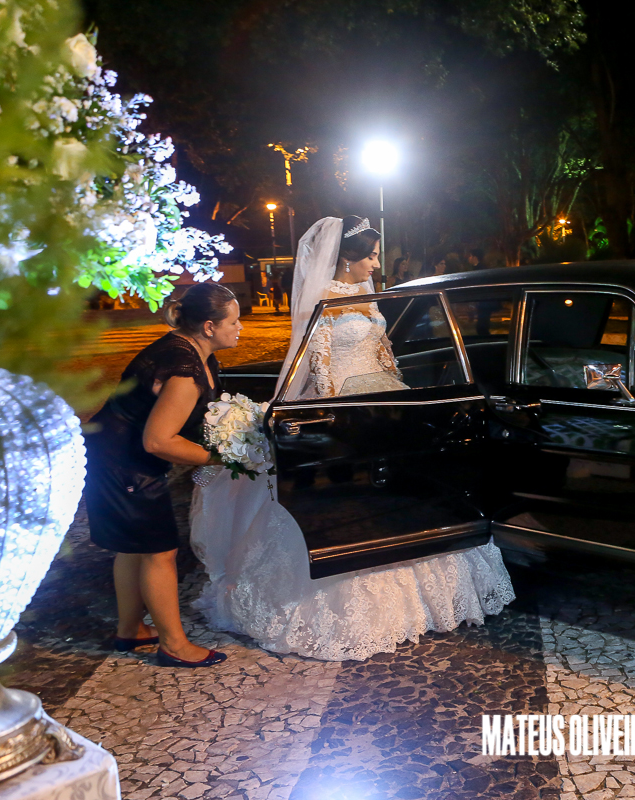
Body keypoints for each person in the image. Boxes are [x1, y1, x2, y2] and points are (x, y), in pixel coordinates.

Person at [189, 215, 515, 661]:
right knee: (356, 501)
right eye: (372, 256)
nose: (377, 264)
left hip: (383, 399)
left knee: (409, 494)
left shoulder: (367, 293)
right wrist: (338, 421)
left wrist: (401, 401)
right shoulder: (322, 298)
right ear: (347, 258)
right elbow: (320, 363)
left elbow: (384, 354)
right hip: (348, 405)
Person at [84, 282, 240, 669]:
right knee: (160, 550)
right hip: (123, 463)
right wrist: (220, 458)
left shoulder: (192, 352)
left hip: (113, 455)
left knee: (133, 547)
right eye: (234, 322)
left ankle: (130, 630)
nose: (241, 328)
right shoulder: (184, 368)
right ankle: (173, 645)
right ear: (208, 326)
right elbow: (157, 440)